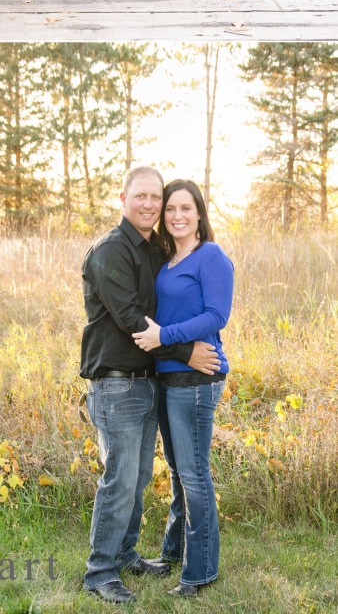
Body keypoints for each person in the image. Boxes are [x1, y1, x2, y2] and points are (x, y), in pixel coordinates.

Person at [80, 166, 221, 605]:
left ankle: (125, 553)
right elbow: (132, 320)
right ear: (123, 198)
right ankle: (100, 571)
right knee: (120, 479)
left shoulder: (151, 250)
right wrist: (187, 353)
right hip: (116, 384)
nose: (149, 205)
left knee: (139, 476)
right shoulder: (110, 252)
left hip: (147, 381)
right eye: (140, 196)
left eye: (155, 198)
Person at [133, 180, 233, 597]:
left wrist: (166, 337)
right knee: (178, 471)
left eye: (185, 209)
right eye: (170, 208)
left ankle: (200, 572)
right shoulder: (167, 260)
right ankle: (175, 551)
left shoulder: (210, 256)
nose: (175, 216)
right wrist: (166, 347)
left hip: (196, 379)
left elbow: (217, 315)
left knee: (194, 475)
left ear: (199, 214)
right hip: (168, 375)